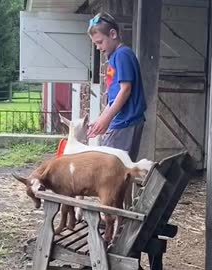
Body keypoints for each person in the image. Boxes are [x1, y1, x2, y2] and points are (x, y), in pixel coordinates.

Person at [86, 12, 147, 208]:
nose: (98, 47)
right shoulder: (115, 57)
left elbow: (125, 90)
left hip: (125, 122)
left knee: (112, 171)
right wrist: (101, 119)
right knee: (118, 170)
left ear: (113, 34)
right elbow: (113, 99)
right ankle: (118, 212)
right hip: (120, 121)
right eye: (96, 44)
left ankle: (112, 213)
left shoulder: (123, 54)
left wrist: (106, 120)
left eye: (100, 42)